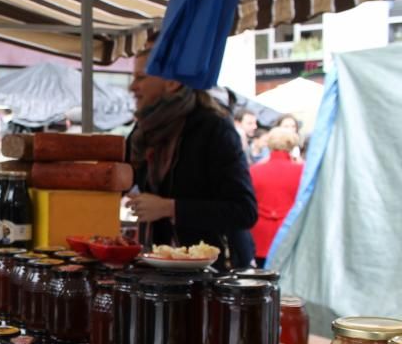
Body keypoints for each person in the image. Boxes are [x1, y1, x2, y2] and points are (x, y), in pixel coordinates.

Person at [126, 41, 258, 269]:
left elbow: (244, 211)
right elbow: (122, 177)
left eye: (141, 78)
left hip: (214, 276)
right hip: (163, 271)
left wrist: (170, 207)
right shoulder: (143, 132)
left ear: (172, 82)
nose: (132, 87)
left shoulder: (214, 130)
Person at [250, 126, 304, 266]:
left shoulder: (255, 170)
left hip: (259, 234)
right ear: (292, 145)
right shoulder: (302, 172)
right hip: (288, 232)